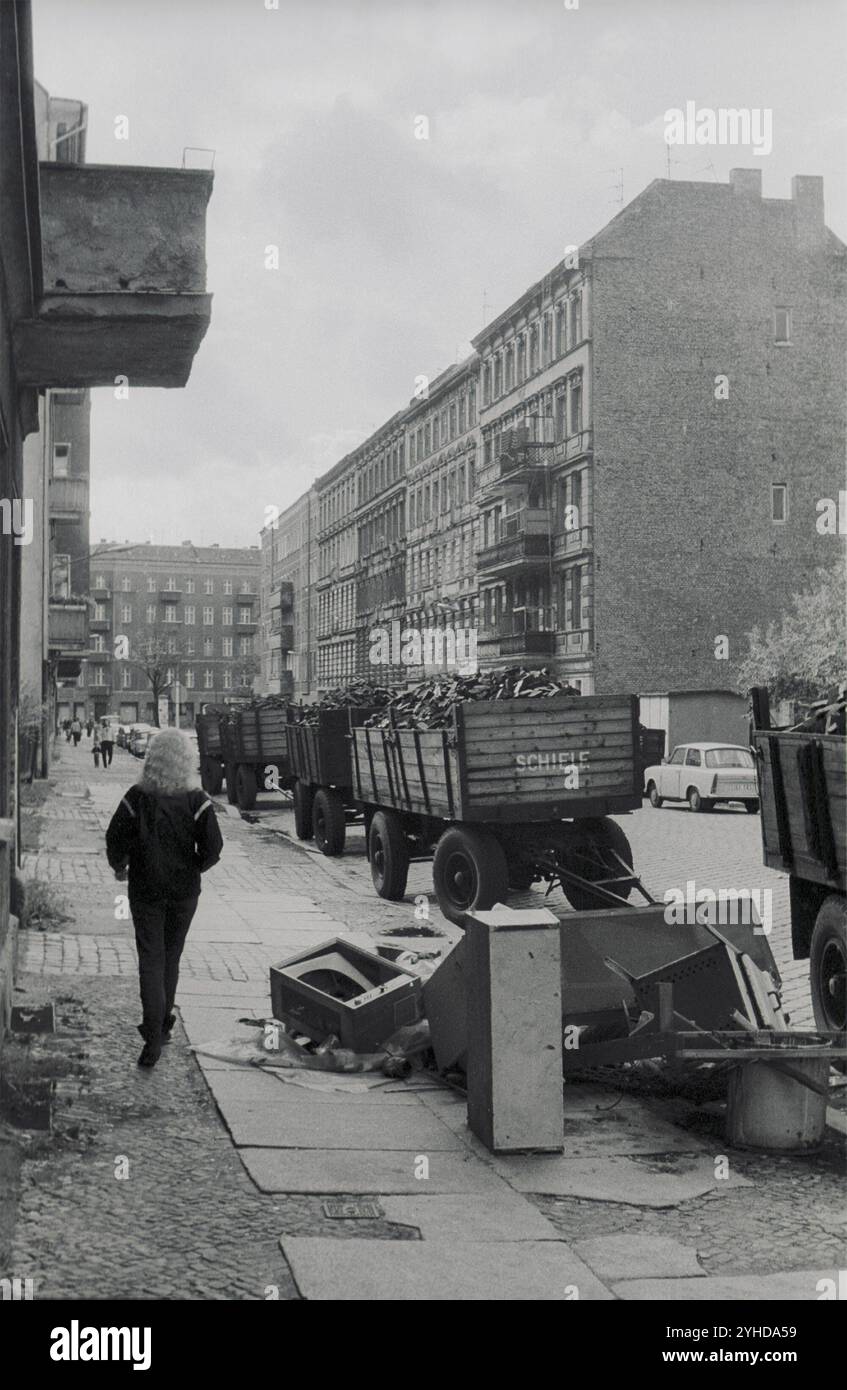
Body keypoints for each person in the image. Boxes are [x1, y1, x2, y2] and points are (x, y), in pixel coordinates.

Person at [105, 729, 223, 1068]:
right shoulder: (197, 800)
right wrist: (194, 868)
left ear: (152, 757)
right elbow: (214, 848)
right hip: (184, 892)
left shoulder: (136, 796)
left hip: (145, 889)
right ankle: (163, 1020)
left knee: (150, 960)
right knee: (172, 957)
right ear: (187, 760)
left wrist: (120, 865)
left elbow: (115, 836)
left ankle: (153, 1036)